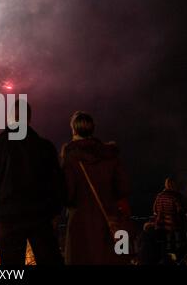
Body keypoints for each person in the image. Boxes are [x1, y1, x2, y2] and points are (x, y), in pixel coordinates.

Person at [0, 100, 65, 265]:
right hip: (40, 216)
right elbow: (57, 183)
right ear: (29, 118)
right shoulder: (44, 146)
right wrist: (54, 211)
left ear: (9, 117)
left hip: (8, 217)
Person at [61, 111, 131, 265]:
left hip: (81, 222)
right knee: (116, 258)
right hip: (112, 219)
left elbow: (68, 194)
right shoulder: (110, 155)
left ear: (73, 130)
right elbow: (123, 188)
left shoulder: (70, 157)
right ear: (93, 129)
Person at [153, 177, 184, 263]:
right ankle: (178, 260)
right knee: (177, 245)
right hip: (173, 224)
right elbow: (180, 210)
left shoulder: (159, 196)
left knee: (164, 246)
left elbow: (155, 210)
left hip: (160, 225)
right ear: (173, 185)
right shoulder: (175, 196)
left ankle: (166, 261)